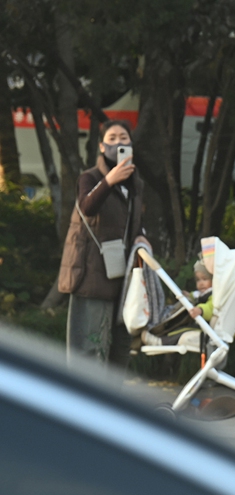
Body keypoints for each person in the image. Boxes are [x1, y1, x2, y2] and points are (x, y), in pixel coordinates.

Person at [56, 118, 148, 366]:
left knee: (120, 347)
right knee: (89, 348)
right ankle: (81, 403)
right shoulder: (89, 177)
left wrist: (142, 237)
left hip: (123, 278)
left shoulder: (136, 184)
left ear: (131, 144)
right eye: (112, 139)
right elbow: (87, 207)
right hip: (91, 276)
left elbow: (134, 224)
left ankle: (109, 403)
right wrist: (110, 180)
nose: (118, 143)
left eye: (123, 138)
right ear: (101, 146)